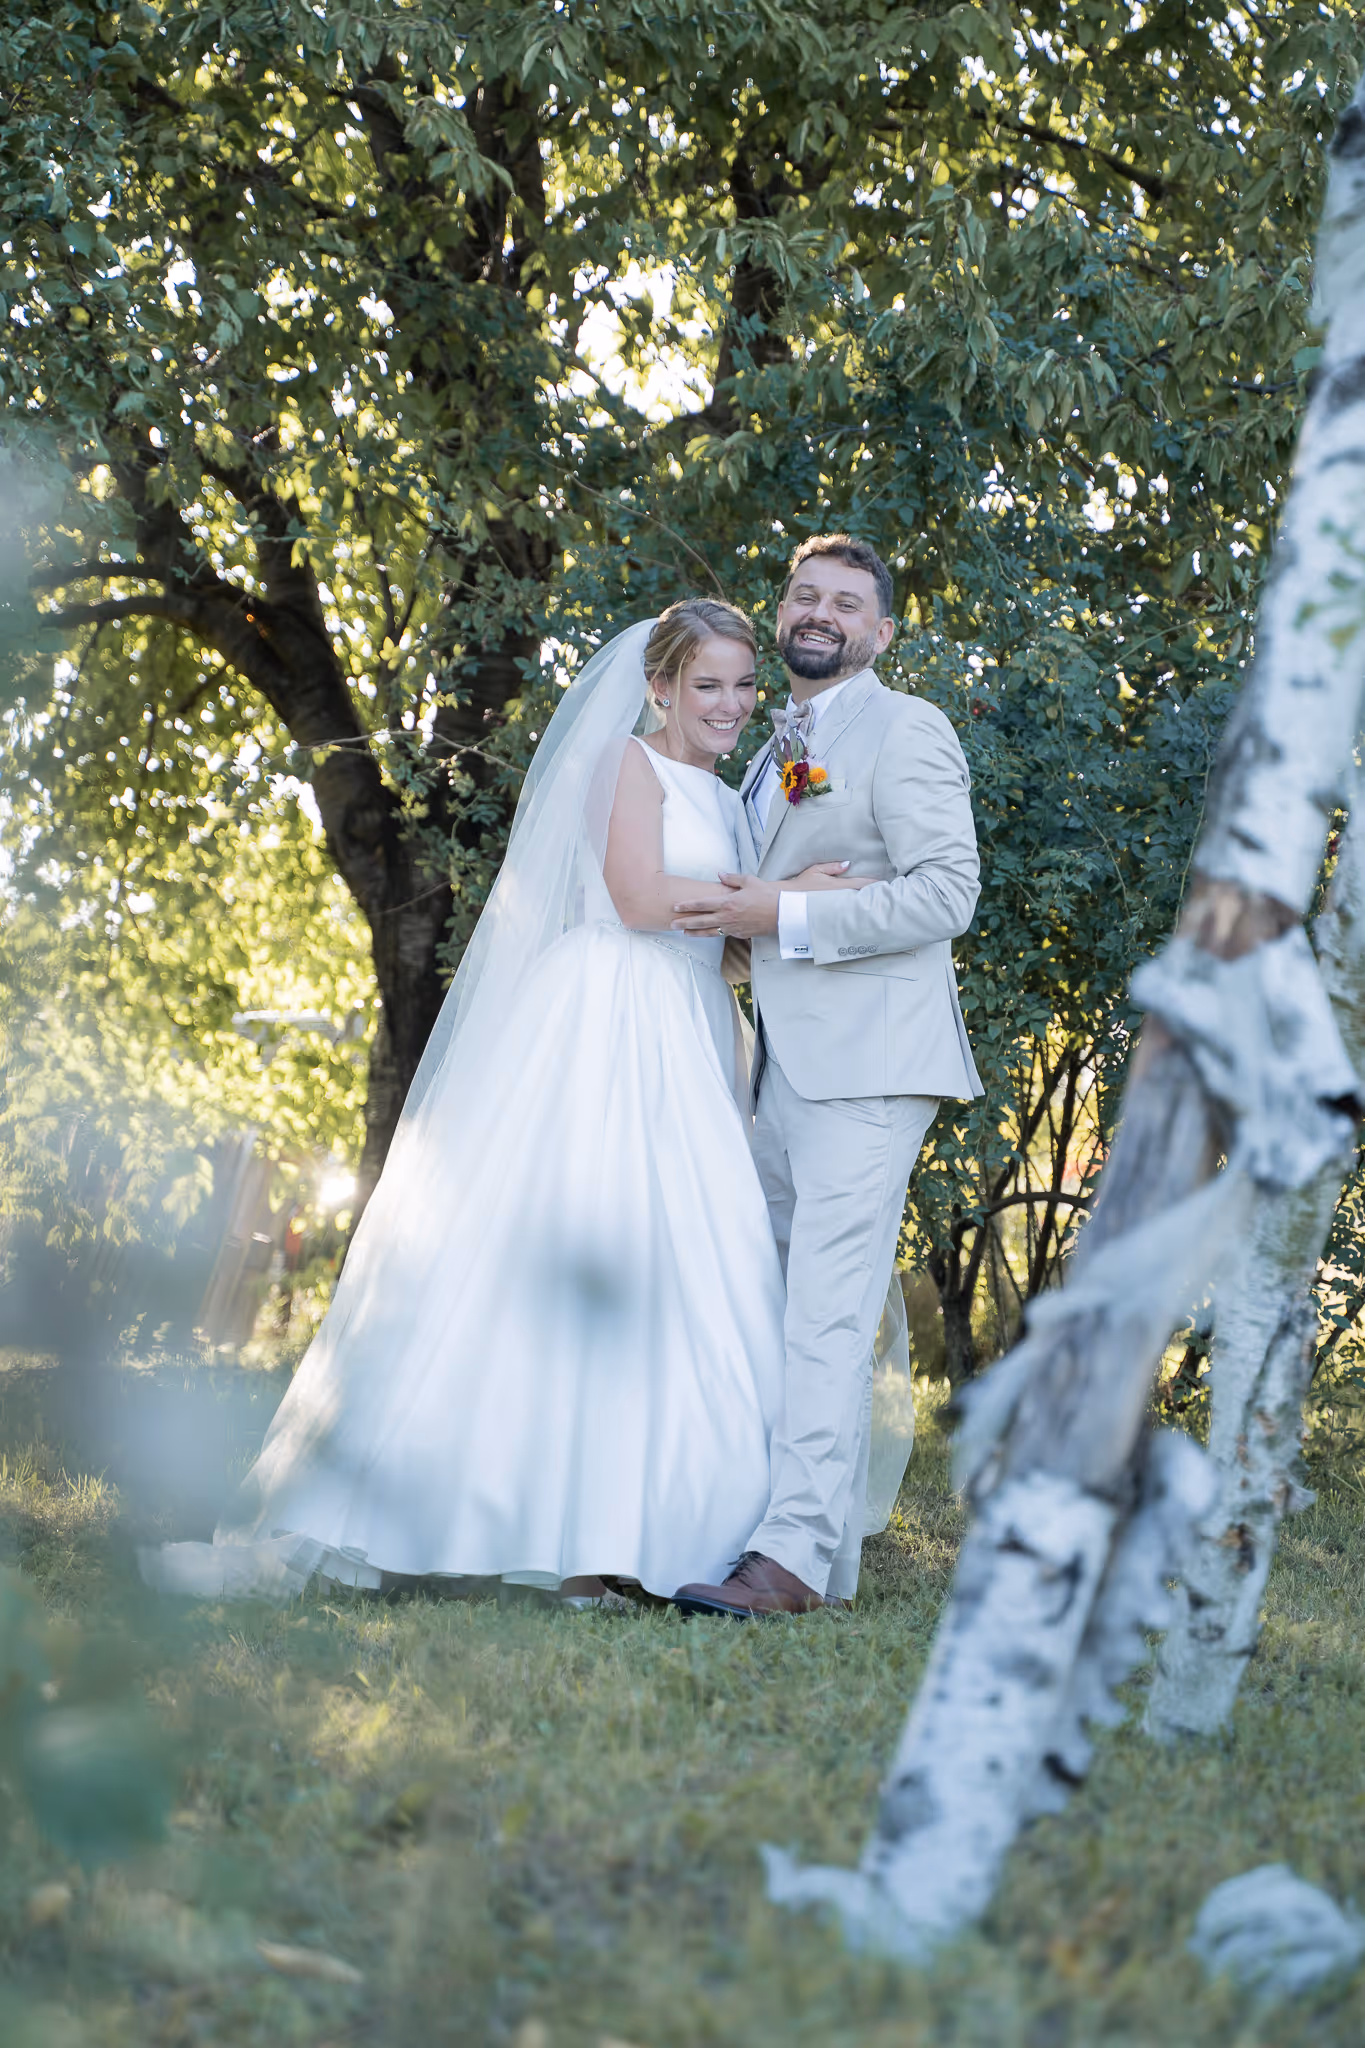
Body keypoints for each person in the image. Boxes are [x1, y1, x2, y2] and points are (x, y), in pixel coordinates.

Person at [141, 600, 876, 1605]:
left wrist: (798, 906)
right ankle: (529, 1525)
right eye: (707, 684)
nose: (730, 703)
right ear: (659, 687)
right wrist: (784, 899)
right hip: (608, 1018)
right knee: (579, 1242)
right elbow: (637, 899)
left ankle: (627, 1539)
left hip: (688, 1022)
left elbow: (720, 938)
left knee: (684, 1256)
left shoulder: (728, 793)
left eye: (744, 684)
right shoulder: (627, 762)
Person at [671, 536, 982, 1616]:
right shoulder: (775, 748)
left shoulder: (908, 727)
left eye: (847, 603)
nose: (820, 612)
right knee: (772, 1303)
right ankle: (781, 1534)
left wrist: (783, 911)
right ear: (781, 614)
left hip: (870, 1065)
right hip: (779, 1066)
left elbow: (946, 892)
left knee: (826, 1314)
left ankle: (793, 1558)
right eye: (804, 594)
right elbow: (762, 913)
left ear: (881, 632)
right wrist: (748, 926)